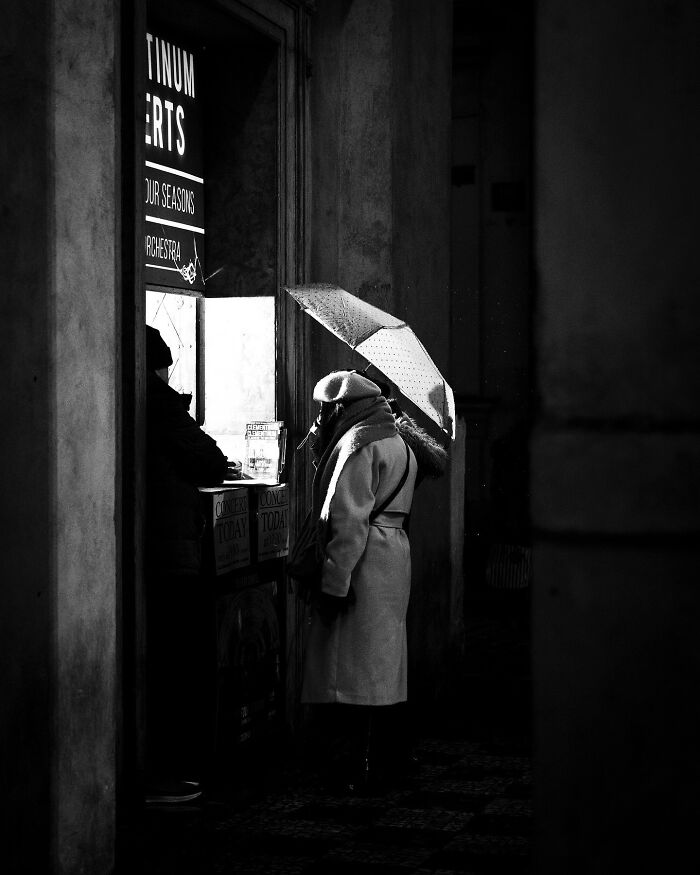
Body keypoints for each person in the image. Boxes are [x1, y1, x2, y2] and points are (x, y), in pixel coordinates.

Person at [300, 369, 429, 792]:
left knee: (348, 671)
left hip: (363, 562)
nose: (321, 417)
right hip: (393, 555)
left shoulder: (359, 444)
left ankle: (352, 768)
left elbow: (348, 522)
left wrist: (334, 585)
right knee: (381, 666)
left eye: (326, 409)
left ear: (342, 407)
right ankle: (387, 760)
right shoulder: (399, 442)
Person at [144, 325, 228, 804]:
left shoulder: (136, 401)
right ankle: (168, 772)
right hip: (172, 556)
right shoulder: (160, 405)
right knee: (175, 666)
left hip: (151, 552)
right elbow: (211, 461)